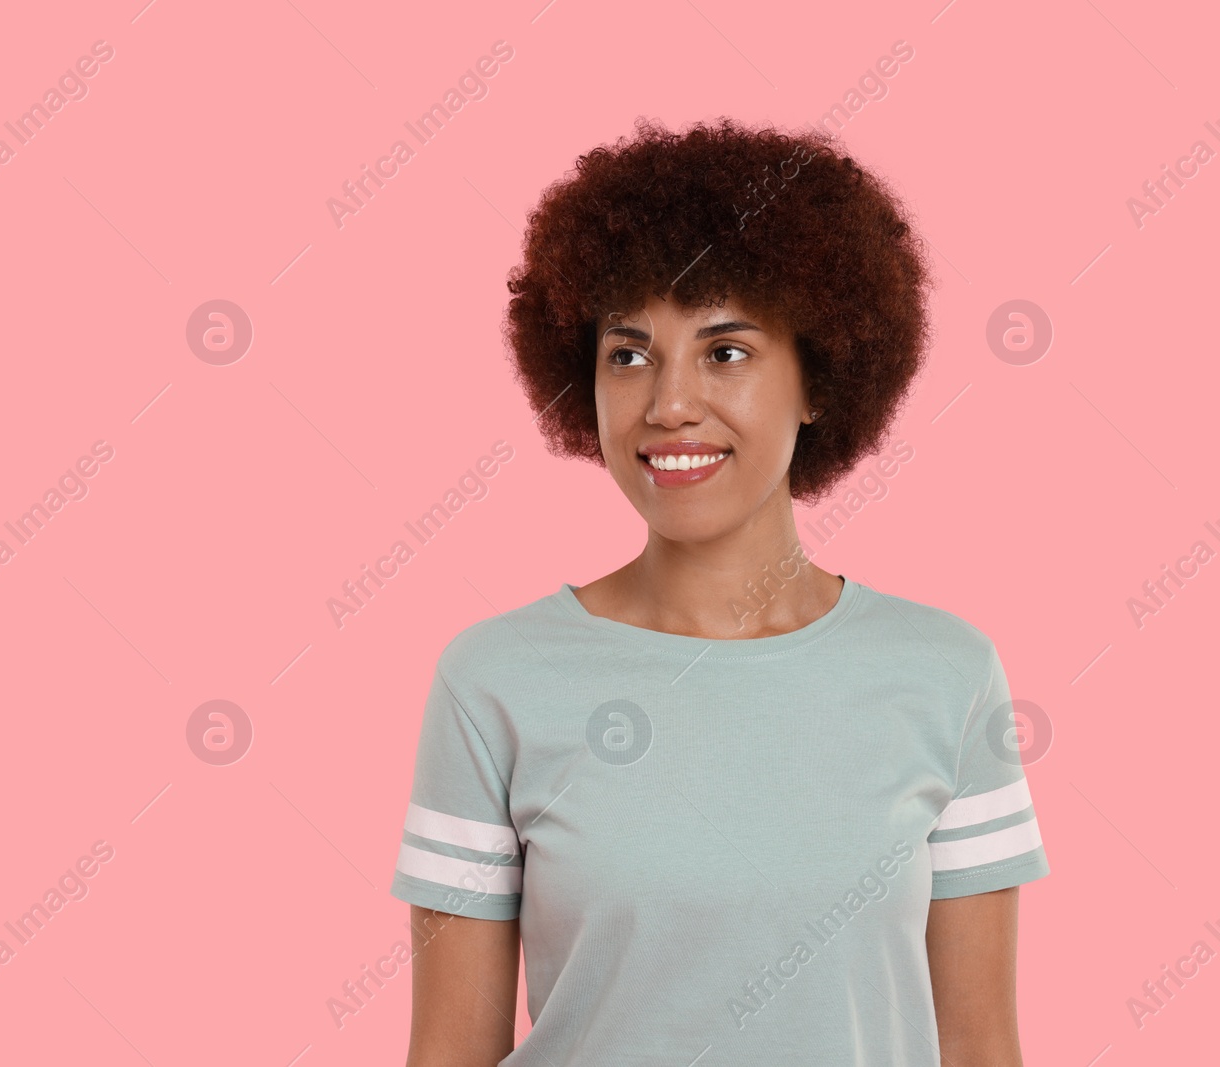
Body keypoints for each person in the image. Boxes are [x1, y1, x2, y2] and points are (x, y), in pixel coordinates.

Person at [389, 117, 1049, 1065]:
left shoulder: (948, 674)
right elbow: (450, 1053)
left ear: (818, 377)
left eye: (726, 351)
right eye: (629, 354)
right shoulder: (492, 681)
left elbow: (982, 1046)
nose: (668, 403)